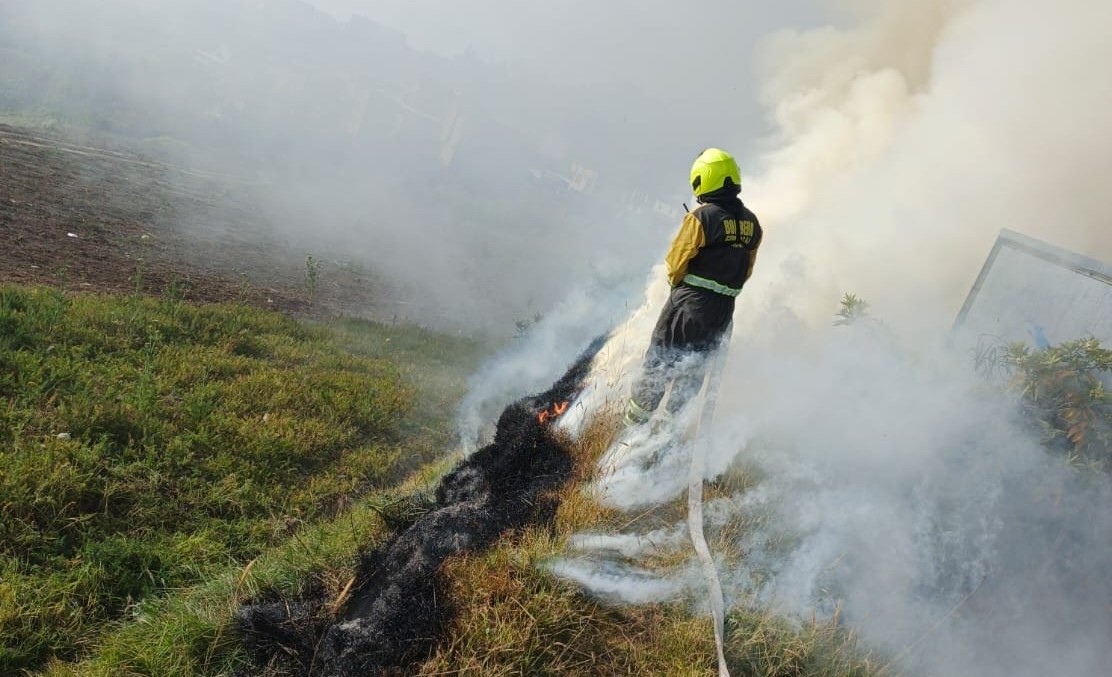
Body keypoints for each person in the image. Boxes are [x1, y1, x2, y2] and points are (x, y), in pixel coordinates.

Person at [625, 148, 763, 426]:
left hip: (689, 304)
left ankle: (630, 430)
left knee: (660, 361)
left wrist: (680, 291)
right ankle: (666, 436)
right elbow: (747, 271)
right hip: (723, 313)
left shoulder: (701, 217)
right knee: (693, 371)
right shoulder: (753, 224)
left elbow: (676, 263)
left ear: (705, 178)